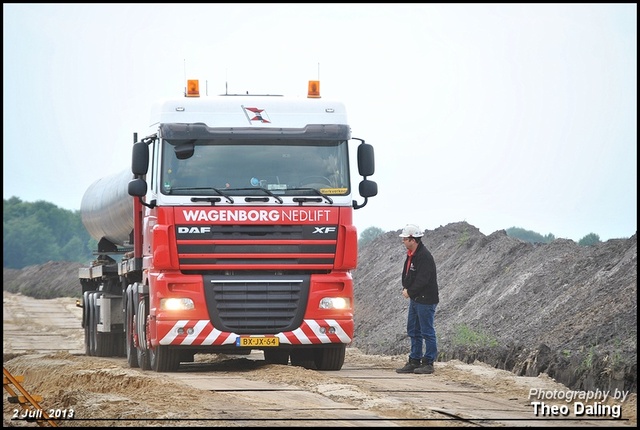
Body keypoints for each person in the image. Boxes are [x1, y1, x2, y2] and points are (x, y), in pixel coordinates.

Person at [395, 224, 440, 375]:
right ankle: (414, 360)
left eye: (405, 239)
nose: (403, 241)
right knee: (413, 330)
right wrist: (406, 288)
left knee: (427, 331)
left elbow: (423, 279)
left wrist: (410, 291)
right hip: (416, 298)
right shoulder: (412, 255)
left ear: (412, 239)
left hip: (425, 299)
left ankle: (428, 362)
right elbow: (408, 274)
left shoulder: (424, 256)